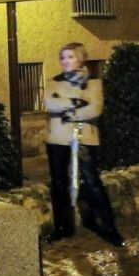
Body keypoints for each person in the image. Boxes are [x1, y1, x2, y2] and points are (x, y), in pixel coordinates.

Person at [44, 42, 124, 247]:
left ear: (81, 59)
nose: (65, 61)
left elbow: (95, 108)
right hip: (58, 139)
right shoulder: (53, 81)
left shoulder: (93, 82)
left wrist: (69, 112)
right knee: (59, 183)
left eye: (70, 57)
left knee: (92, 182)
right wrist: (76, 103)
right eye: (62, 57)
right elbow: (50, 103)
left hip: (84, 138)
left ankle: (109, 228)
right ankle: (63, 227)